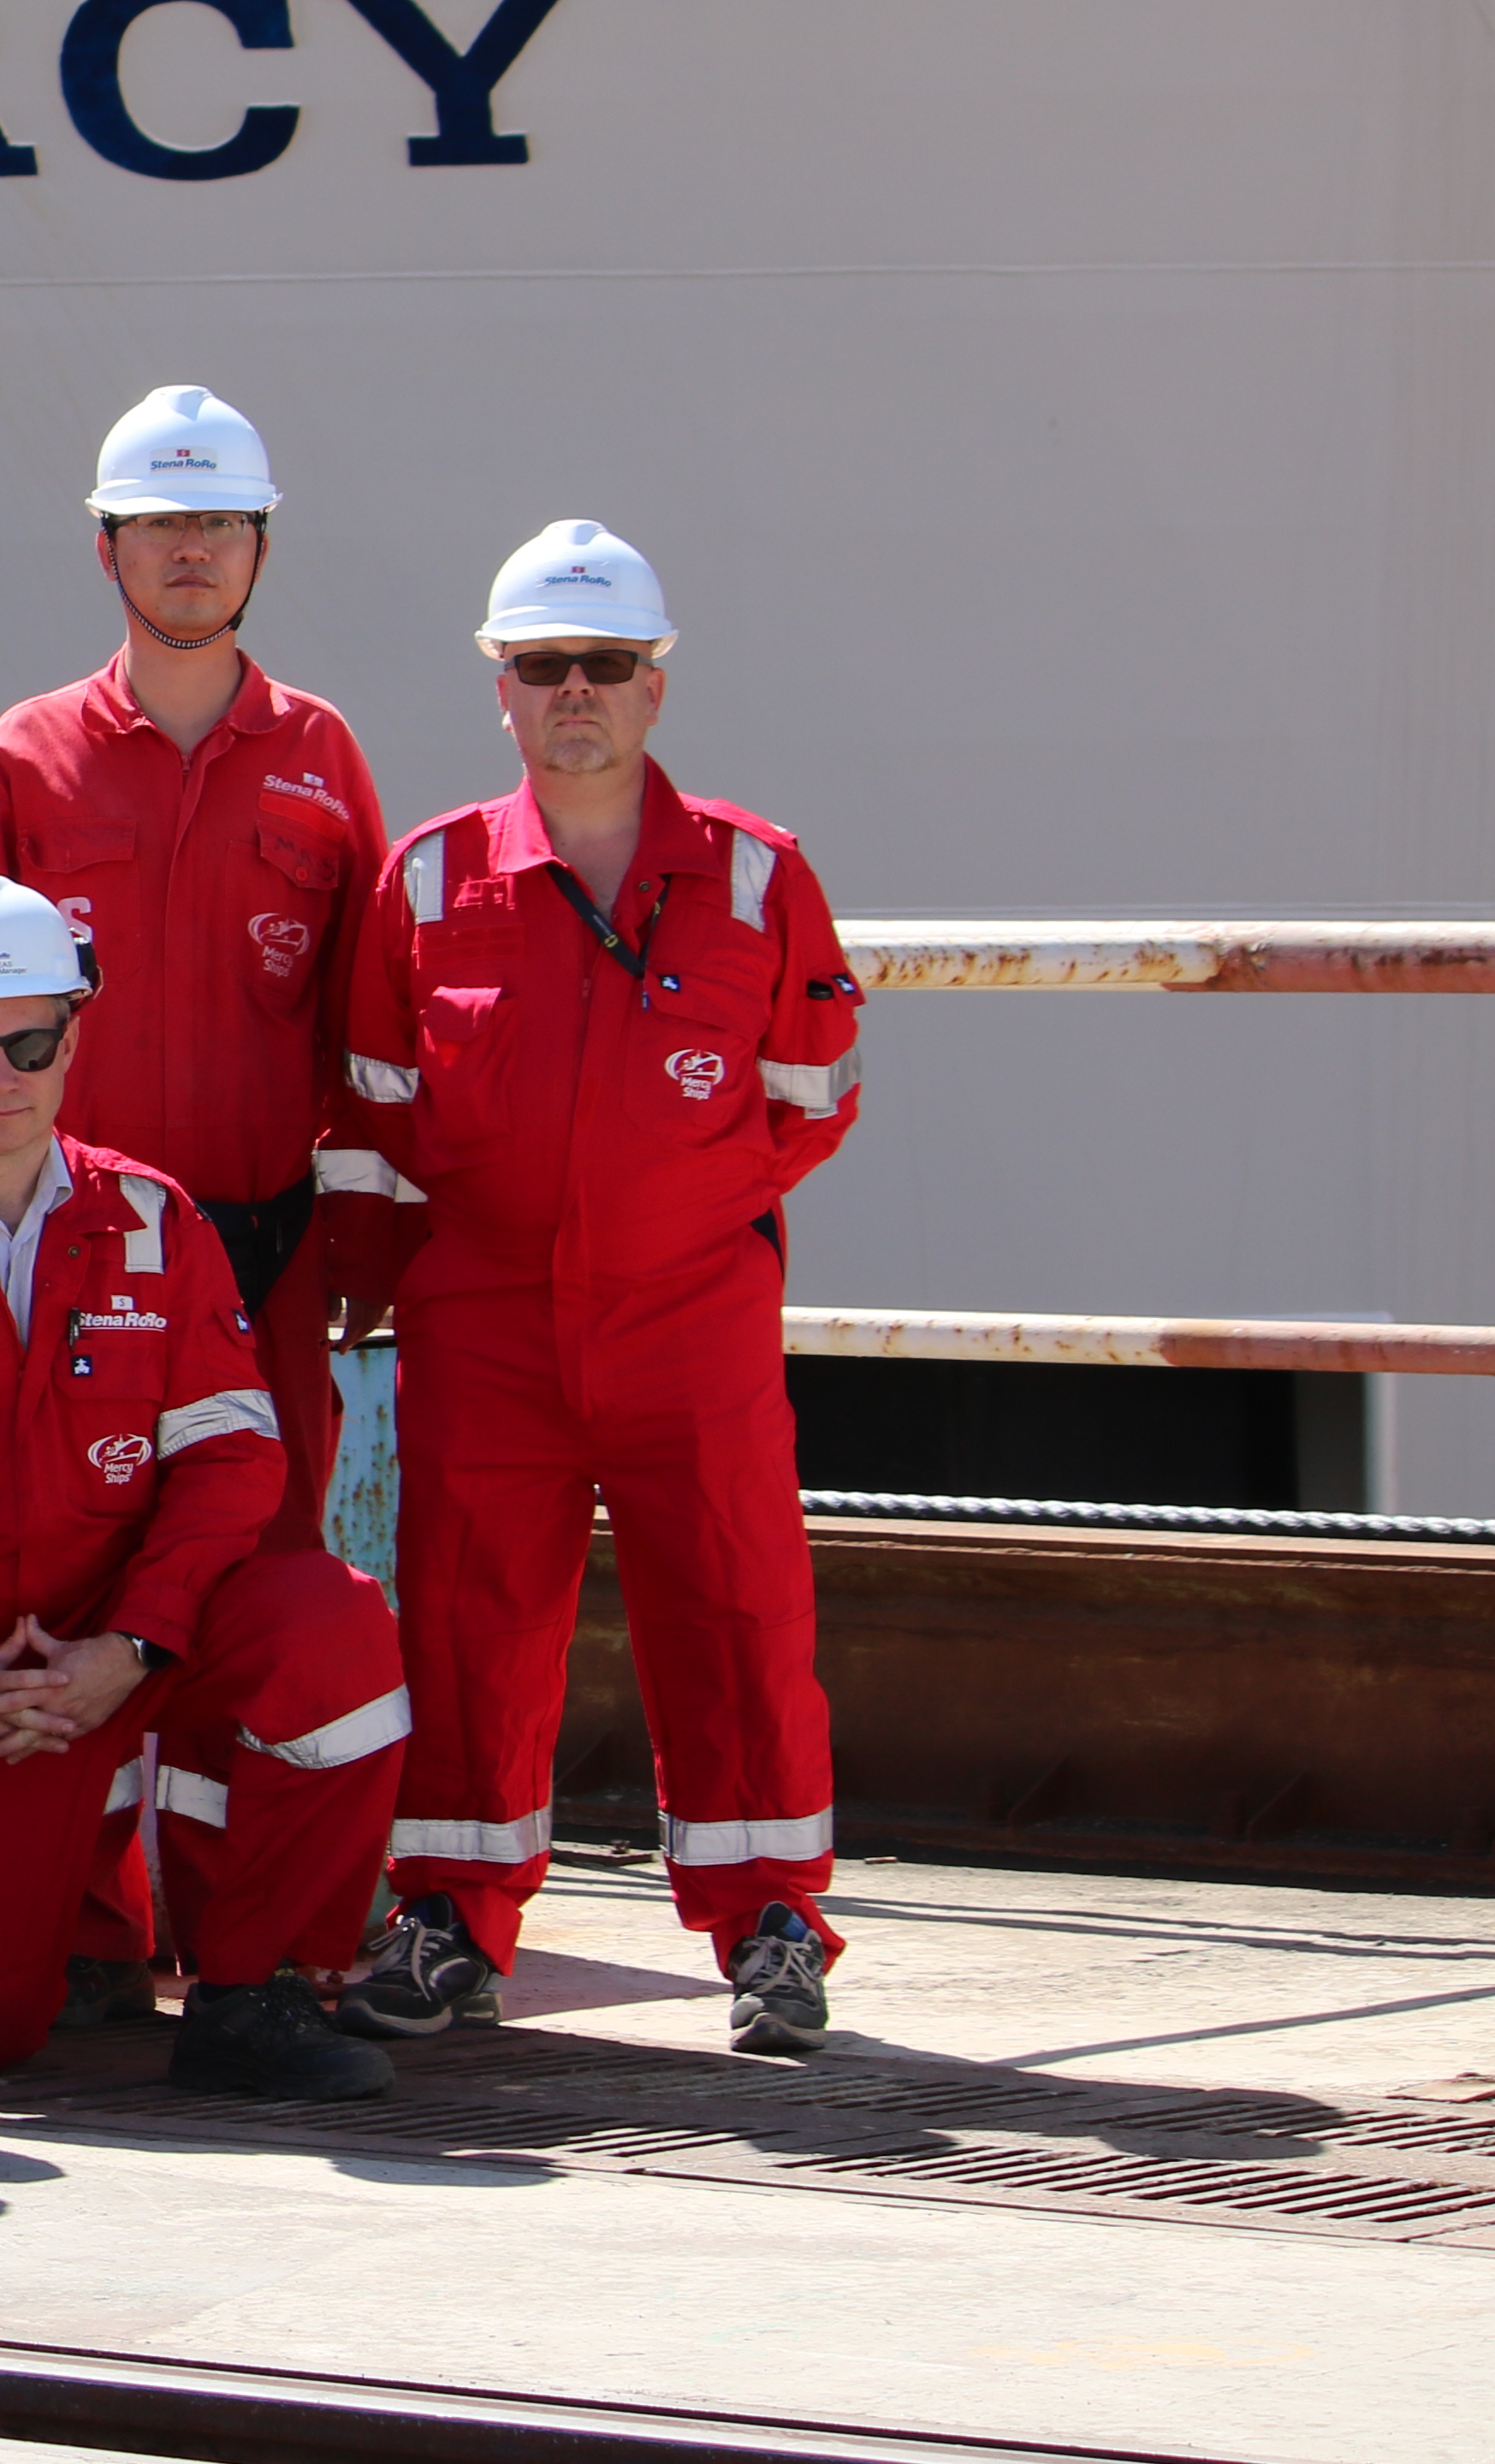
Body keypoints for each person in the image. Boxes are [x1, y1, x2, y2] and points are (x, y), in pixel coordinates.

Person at [320, 523, 869, 2057]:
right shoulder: (429, 881)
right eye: (544, 665)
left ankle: (772, 1926)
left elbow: (815, 1096)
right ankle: (450, 1920)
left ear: (656, 685)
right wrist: (377, 1277)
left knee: (741, 1610)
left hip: (687, 1317)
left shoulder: (758, 879)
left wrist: (688, 1216)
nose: (577, 693)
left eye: (606, 665)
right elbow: (368, 1109)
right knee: (472, 1618)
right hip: (484, 1313)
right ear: (501, 688)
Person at [0, 877, 407, 2102]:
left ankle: (249, 1987)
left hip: (125, 1643)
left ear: (74, 1036)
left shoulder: (158, 1223)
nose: (0, 1073)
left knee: (333, 1633)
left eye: (32, 1040)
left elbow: (230, 1463)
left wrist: (137, 1642)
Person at [0, 389, 389, 1547]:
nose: (190, 548)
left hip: (273, 1246)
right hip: (74, 1254)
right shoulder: (27, 756)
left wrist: (362, 1223)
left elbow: (368, 1024)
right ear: (107, 548)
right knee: (73, 1548)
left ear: (261, 544)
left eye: (221, 521)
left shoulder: (322, 754)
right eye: (157, 523)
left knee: (274, 1553)